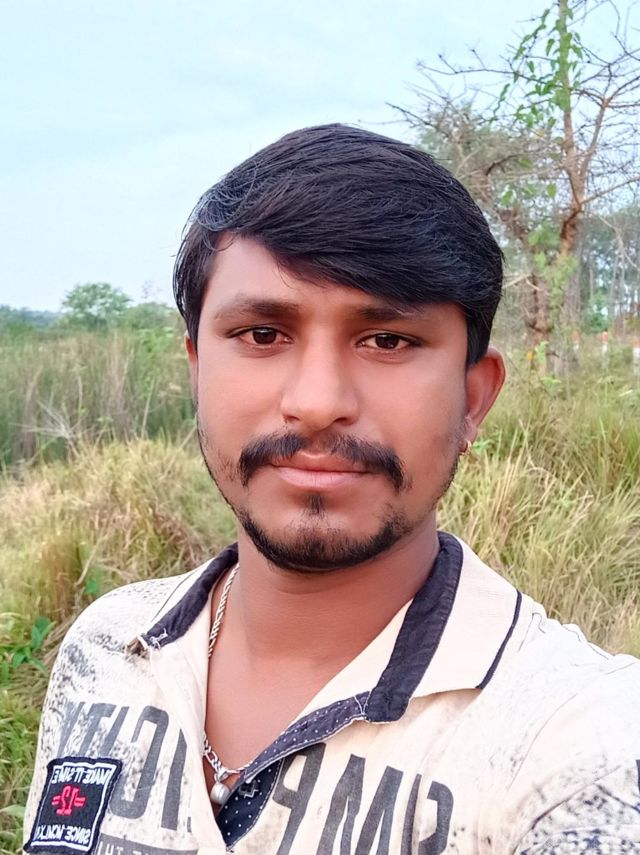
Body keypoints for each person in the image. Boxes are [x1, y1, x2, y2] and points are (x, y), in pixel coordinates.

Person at [24, 124, 640, 855]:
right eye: (261, 334)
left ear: (474, 397)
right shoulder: (108, 647)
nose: (317, 403)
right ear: (196, 371)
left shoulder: (582, 748)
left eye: (388, 340)